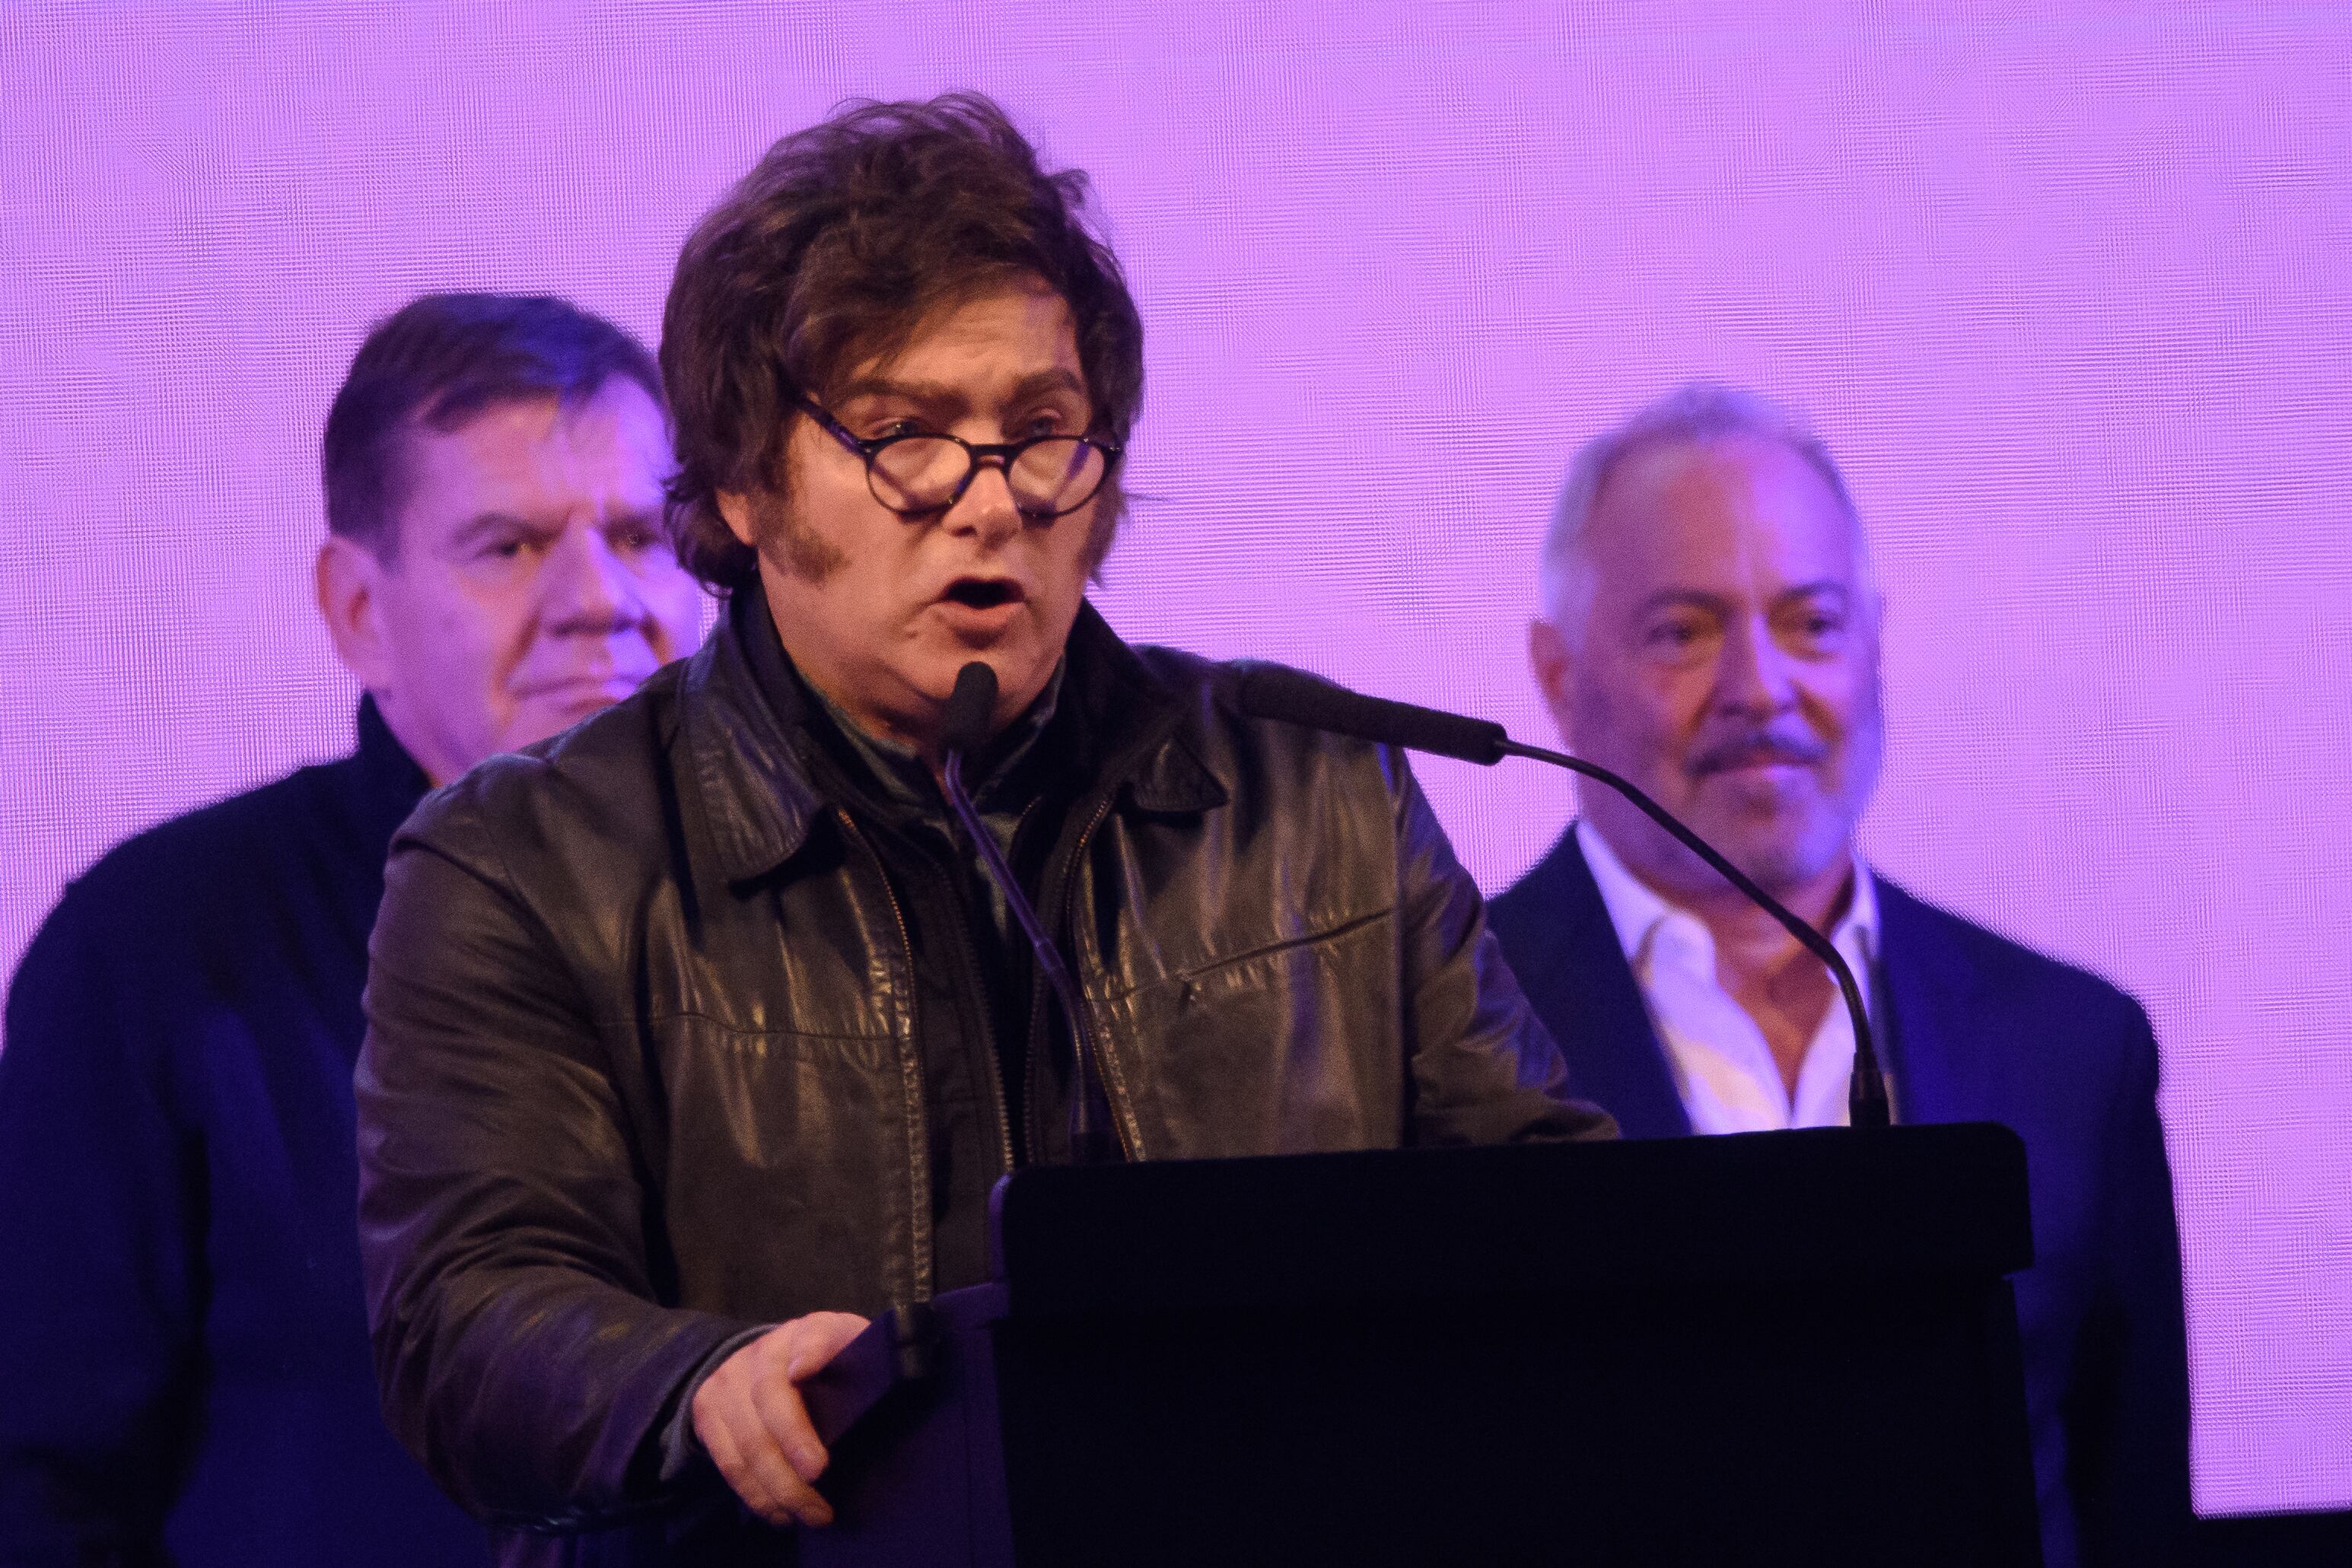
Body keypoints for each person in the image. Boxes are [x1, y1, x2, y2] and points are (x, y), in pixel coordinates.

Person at [352, 94, 1609, 1564]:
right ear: (747, 483)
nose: (990, 502)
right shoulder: (527, 863)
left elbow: (1555, 1228)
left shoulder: (1311, 793)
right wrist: (697, 1383)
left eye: (1040, 433)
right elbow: (467, 1313)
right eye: (904, 439)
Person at [0, 293, 706, 1566]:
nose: (602, 599)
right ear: (356, 611)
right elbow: (38, 1490)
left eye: (644, 535)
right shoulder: (153, 950)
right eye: (508, 546)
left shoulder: (820, 917)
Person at [1485, 383, 2193, 1568]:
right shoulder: (1435, 1020)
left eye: (1812, 622)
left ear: (1873, 646)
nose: (1761, 688)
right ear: (1559, 676)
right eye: (1682, 630)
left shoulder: (2074, 1046)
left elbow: (2134, 1517)